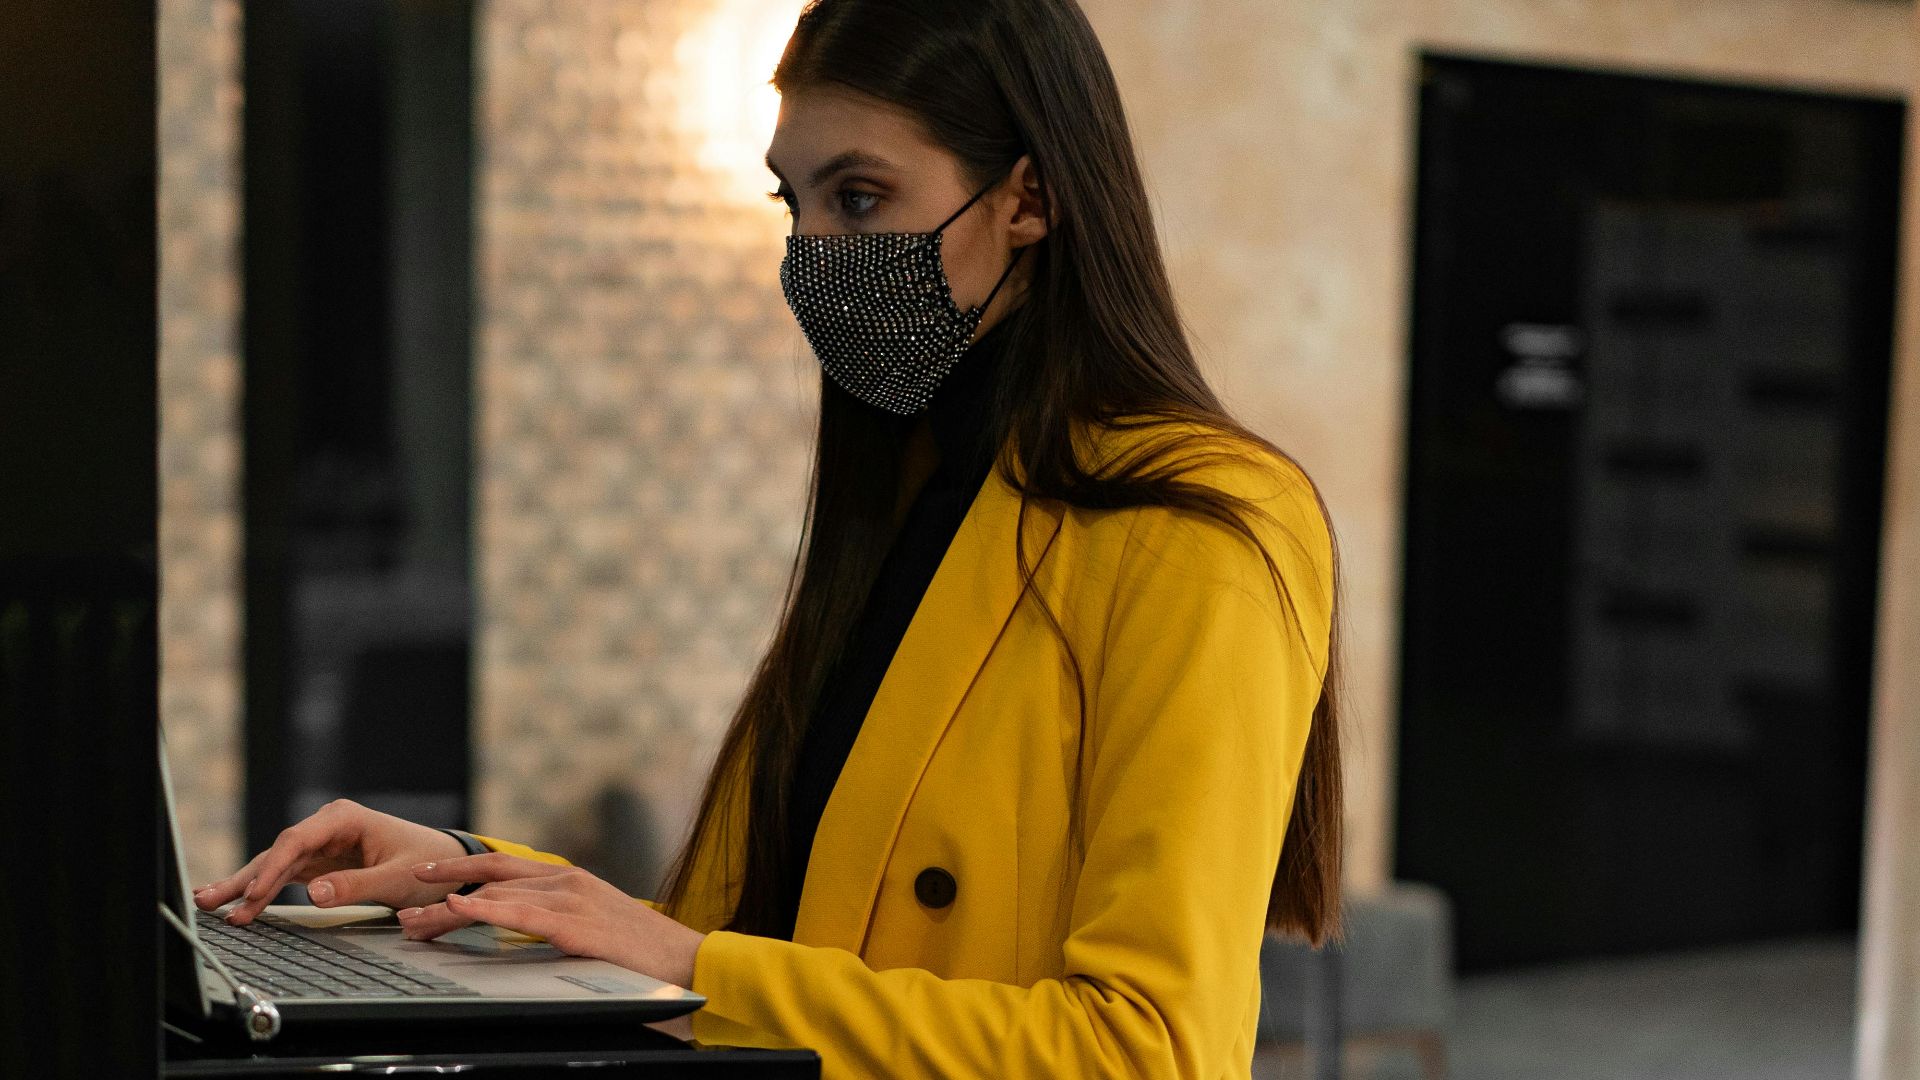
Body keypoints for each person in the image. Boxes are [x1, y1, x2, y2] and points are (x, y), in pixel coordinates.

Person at [193, 0, 1346, 1074]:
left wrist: (691, 965)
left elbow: (1151, 1051)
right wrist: (469, 881)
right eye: (793, 204)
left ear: (1028, 199)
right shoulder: (910, 494)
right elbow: (756, 940)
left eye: (860, 198)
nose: (816, 255)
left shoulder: (1201, 528)